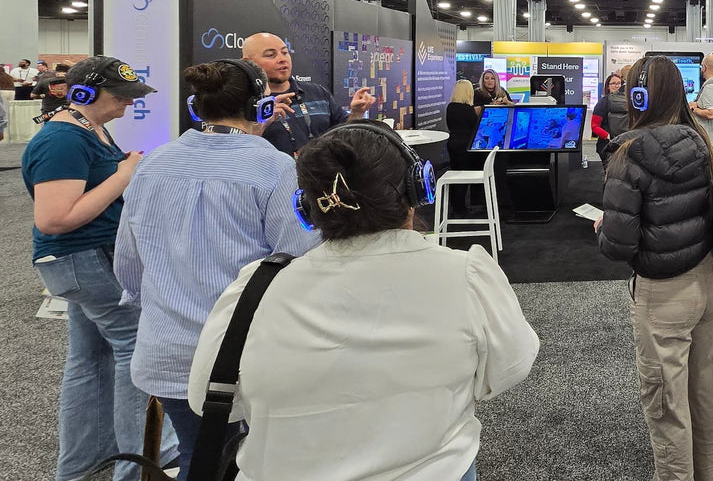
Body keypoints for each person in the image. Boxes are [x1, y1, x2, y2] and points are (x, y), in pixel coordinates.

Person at [190, 122, 539, 481]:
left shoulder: (257, 287)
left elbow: (208, 397)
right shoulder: (467, 275)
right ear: (419, 187)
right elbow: (511, 366)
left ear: (306, 209)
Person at [114, 59, 321, 479]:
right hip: (245, 356)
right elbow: (298, 260)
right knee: (245, 460)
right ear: (261, 107)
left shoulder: (152, 164)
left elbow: (128, 265)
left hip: (166, 350)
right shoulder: (276, 168)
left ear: (197, 107)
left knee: (200, 455)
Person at [21, 56, 176, 481]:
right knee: (132, 351)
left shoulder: (84, 131)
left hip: (82, 261)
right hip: (86, 258)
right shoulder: (64, 141)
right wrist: (125, 173)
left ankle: (84, 466)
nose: (129, 103)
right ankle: (146, 462)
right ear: (85, 94)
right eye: (121, 95)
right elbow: (53, 219)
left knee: (90, 359)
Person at [596, 56, 713, 481]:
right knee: (705, 401)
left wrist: (603, 224)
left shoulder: (629, 153)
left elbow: (618, 245)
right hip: (712, 282)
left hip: (663, 294)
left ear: (638, 96)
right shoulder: (702, 142)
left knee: (668, 409)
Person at [242, 33, 377, 156]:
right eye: (271, 55)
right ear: (248, 62)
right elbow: (238, 153)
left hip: (322, 178)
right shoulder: (245, 104)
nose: (282, 59)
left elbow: (346, 134)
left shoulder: (318, 93)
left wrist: (357, 113)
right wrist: (263, 124)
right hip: (276, 179)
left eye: (284, 52)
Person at [445, 79, 484, 170]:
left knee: (456, 172)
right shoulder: (469, 110)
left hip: (453, 143)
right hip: (468, 145)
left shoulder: (450, 107)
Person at [592, 72, 624, 161]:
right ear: (608, 86)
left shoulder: (627, 101)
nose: (617, 86)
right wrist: (608, 136)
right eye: (613, 83)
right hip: (607, 145)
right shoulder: (603, 103)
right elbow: (594, 126)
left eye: (619, 83)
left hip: (623, 144)